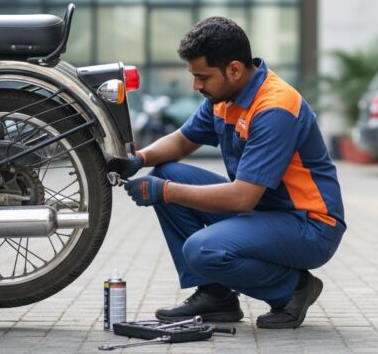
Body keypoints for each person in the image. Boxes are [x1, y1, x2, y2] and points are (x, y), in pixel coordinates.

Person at [110, 17, 345, 329]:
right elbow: (182, 141)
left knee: (202, 248)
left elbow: (243, 198)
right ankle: (215, 296)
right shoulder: (225, 97)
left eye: (202, 77)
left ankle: (293, 289)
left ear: (234, 69)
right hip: (265, 211)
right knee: (167, 172)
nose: (196, 86)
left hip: (310, 226)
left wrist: (163, 191)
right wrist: (139, 158)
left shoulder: (274, 108)